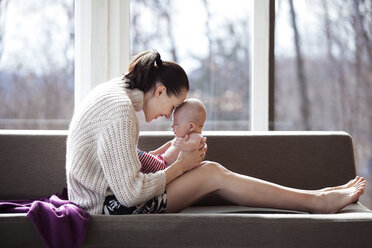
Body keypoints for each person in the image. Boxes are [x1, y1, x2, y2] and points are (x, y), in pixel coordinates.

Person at [66, 50, 366, 216]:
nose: (168, 115)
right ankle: (317, 202)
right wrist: (182, 166)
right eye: (172, 105)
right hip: (105, 208)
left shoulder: (113, 94)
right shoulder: (119, 111)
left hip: (97, 197)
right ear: (159, 90)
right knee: (212, 174)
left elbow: (118, 162)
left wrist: (166, 154)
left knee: (211, 172)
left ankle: (318, 197)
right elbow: (130, 193)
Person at [138, 98, 206, 174]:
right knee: (142, 165)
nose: (172, 126)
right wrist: (155, 152)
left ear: (191, 127)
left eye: (176, 124)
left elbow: (193, 145)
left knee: (142, 156)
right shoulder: (181, 137)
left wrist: (184, 145)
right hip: (160, 159)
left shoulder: (196, 137)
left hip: (165, 167)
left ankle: (136, 153)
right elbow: (170, 144)